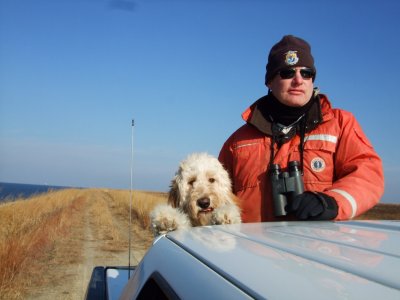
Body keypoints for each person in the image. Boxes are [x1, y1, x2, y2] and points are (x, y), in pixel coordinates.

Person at [218, 35, 384, 222]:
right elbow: (213, 194)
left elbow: (368, 176)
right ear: (269, 81)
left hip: (316, 247)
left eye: (306, 73)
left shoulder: (340, 124)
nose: (298, 80)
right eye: (287, 73)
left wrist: (330, 202)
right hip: (252, 248)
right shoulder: (238, 142)